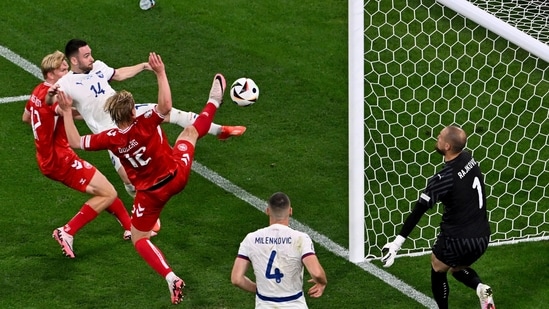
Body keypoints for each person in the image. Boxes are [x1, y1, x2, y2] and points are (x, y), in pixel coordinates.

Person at [57, 52, 223, 305]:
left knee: (139, 239)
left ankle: (170, 277)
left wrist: (67, 112)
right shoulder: (145, 122)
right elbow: (165, 107)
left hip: (150, 194)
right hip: (177, 176)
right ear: (134, 111)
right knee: (188, 134)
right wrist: (160, 73)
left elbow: (75, 141)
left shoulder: (110, 137)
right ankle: (213, 103)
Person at [54, 38, 245, 198]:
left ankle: (219, 130)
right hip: (110, 131)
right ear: (74, 60)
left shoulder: (97, 67)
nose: (92, 58)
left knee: (171, 113)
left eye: (90, 54)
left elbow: (118, 74)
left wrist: (145, 66)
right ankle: (138, 200)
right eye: (86, 56)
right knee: (128, 179)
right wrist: (68, 110)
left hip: (128, 111)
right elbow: (54, 104)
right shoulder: (66, 83)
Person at [22, 51, 132, 259]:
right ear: (51, 74)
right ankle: (67, 231)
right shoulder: (57, 97)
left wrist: (46, 129)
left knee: (102, 188)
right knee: (108, 193)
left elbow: (26, 117)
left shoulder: (37, 92)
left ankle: (129, 227)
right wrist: (100, 112)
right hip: (61, 159)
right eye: (63, 70)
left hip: (47, 158)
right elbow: (67, 112)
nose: (68, 73)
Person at [381, 125, 496, 309]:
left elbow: (418, 211)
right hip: (483, 236)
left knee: (437, 265)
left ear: (448, 147)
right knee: (457, 268)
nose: (437, 138)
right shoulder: (469, 158)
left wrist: (396, 244)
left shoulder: (443, 178)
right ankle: (482, 289)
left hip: (459, 238)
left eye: (440, 137)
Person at [231, 192, 328, 308]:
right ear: (290, 211)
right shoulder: (301, 238)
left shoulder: (251, 239)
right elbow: (316, 273)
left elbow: (236, 279)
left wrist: (259, 289)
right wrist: (322, 282)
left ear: (267, 211)